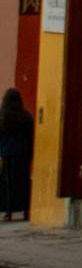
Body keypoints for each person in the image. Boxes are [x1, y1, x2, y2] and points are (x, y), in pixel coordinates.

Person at [0, 86, 32, 220]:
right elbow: (30, 136)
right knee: (24, 182)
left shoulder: (2, 116)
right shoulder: (26, 116)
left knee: (7, 184)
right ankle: (26, 210)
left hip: (7, 153)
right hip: (23, 153)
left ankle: (8, 212)